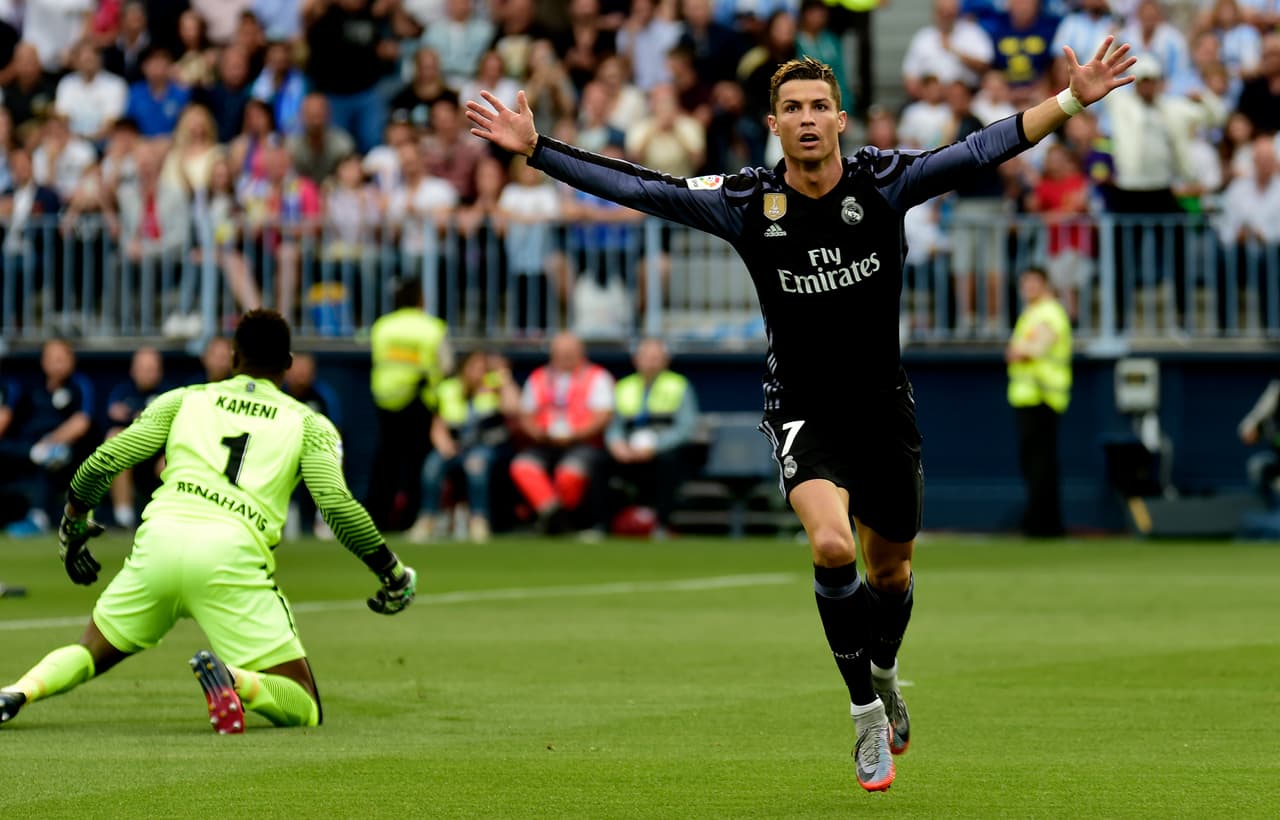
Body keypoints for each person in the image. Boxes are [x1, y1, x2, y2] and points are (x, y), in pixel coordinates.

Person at [465, 37, 1135, 792]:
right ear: (774, 125)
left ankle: (883, 672)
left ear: (841, 119)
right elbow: (643, 187)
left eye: (820, 106)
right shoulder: (748, 201)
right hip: (802, 411)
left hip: (885, 414)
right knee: (828, 544)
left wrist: (1074, 99)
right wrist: (537, 151)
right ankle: (863, 719)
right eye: (794, 109)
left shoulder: (885, 183)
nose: (809, 118)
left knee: (893, 571)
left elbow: (980, 149)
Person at [0, 311, 418, 732]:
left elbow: (106, 460)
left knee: (90, 651)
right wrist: (391, 571)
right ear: (288, 364)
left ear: (233, 357)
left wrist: (74, 523)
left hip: (160, 541)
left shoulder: (185, 399)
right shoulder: (309, 423)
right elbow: (335, 504)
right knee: (304, 703)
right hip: (230, 556)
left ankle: (18, 690)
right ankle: (234, 680)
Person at [366, 279, 453, 530]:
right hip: (418, 398)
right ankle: (412, 519)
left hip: (385, 399)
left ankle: (376, 519)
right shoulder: (432, 327)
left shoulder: (382, 326)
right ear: (420, 299)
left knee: (385, 461)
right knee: (416, 462)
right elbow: (446, 365)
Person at [408, 350, 520, 543]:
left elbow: (513, 408)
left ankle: (479, 520)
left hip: (486, 448)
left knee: (477, 465)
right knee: (432, 465)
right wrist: (444, 445)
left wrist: (505, 381)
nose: (478, 373)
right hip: (456, 447)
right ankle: (427, 519)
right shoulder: (448, 389)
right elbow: (438, 425)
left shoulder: (494, 387)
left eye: (483, 369)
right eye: (474, 367)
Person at [510, 331, 615, 538]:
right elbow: (526, 414)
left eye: (570, 352)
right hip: (545, 442)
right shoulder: (538, 377)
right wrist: (537, 432)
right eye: (560, 352)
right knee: (523, 466)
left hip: (584, 442)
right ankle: (555, 517)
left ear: (581, 353)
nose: (565, 357)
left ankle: (564, 520)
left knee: (570, 473)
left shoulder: (597, 376)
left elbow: (603, 415)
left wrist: (575, 435)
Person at [605, 338, 699, 539]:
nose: (650, 362)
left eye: (656, 358)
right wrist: (617, 445)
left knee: (669, 464)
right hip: (629, 453)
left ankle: (661, 525)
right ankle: (601, 525)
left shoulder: (679, 385)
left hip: (663, 453)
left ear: (666, 361)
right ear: (636, 360)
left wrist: (655, 446)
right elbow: (614, 426)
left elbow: (685, 428)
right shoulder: (623, 386)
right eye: (646, 357)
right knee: (599, 463)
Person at [1005, 266, 1071, 537]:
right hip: (1029, 397)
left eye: (1033, 283)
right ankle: (1042, 521)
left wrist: (1020, 351)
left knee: (1040, 464)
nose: (1028, 288)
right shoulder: (1033, 314)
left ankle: (1042, 524)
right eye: (1025, 283)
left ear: (1045, 285)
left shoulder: (1049, 313)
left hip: (1042, 397)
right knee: (1036, 463)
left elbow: (1032, 349)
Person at [104, 346, 166, 528]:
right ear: (133, 370)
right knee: (114, 441)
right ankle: (124, 518)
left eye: (152, 369)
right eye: (144, 368)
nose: (148, 373)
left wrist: (135, 416)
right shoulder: (121, 392)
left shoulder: (169, 392)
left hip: (161, 453)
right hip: (134, 453)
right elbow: (114, 418)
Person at [1239, 377, 1280, 508]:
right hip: (1278, 462)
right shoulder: (1275, 393)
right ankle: (1267, 510)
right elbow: (1247, 430)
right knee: (1256, 466)